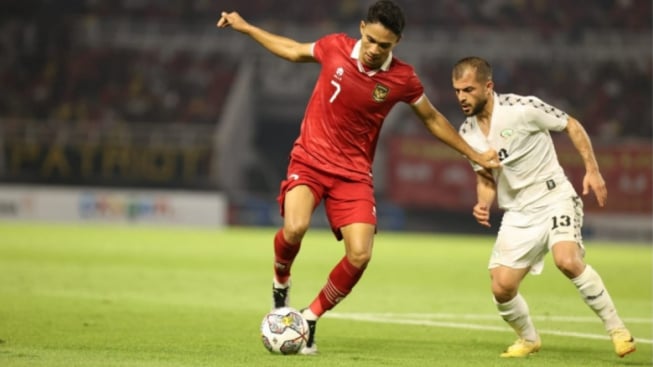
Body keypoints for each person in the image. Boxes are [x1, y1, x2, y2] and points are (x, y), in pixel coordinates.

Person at [217, 1, 500, 355]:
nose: (374, 50)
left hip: (353, 174)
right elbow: (291, 50)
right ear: (362, 28)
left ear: (397, 42)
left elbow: (431, 119)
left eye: (385, 45)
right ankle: (281, 282)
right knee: (294, 229)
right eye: (371, 40)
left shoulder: (402, 79)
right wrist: (247, 28)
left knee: (361, 254)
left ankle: (309, 318)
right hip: (310, 159)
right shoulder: (334, 46)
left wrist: (472, 153)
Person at [451, 56, 636, 358]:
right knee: (501, 287)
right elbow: (485, 176)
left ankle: (618, 331)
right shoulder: (466, 133)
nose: (461, 97)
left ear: (488, 86)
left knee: (567, 260)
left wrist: (592, 169)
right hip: (519, 212)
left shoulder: (522, 109)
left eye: (468, 90)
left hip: (554, 198)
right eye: (457, 90)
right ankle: (528, 339)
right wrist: (483, 203)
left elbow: (572, 125)